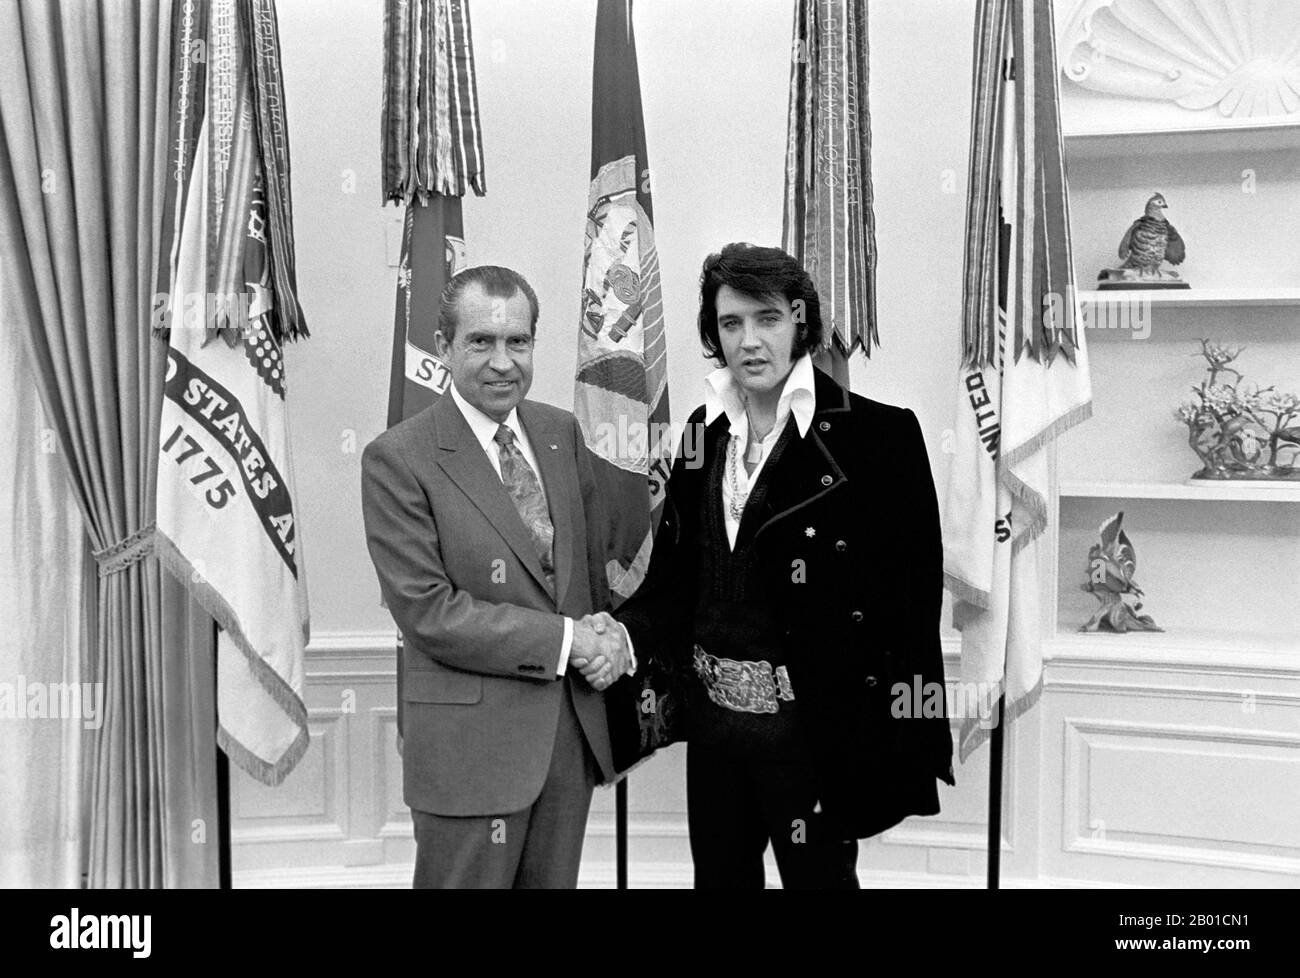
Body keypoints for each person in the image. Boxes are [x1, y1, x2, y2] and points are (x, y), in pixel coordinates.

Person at [612, 243, 955, 889]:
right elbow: (673, 583)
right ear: (714, 334)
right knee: (719, 883)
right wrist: (616, 632)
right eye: (730, 323)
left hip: (814, 736)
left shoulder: (879, 438)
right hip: (714, 734)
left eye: (767, 318)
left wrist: (895, 741)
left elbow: (909, 610)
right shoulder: (700, 433)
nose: (749, 340)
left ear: (800, 319)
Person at [361, 265, 633, 889]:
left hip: (567, 743)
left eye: (518, 342)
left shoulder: (559, 431)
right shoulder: (397, 458)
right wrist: (569, 642)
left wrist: (607, 631)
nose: (502, 362)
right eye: (481, 342)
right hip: (468, 756)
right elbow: (428, 610)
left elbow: (584, 577)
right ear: (443, 346)